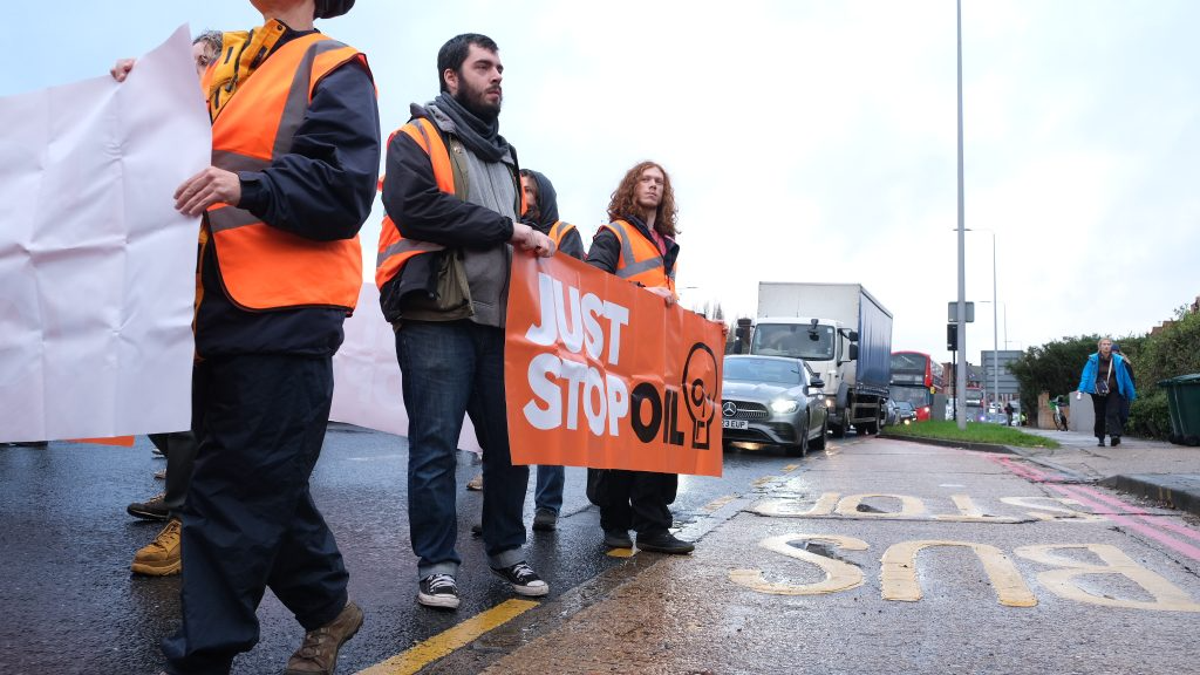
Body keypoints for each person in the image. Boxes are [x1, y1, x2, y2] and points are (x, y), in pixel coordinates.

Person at [115, 2, 379, 672]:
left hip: (286, 308)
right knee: (254, 478)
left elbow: (346, 192)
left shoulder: (333, 64)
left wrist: (247, 184)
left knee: (229, 489)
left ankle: (203, 655)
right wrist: (129, 97)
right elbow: (164, 147)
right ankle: (329, 607)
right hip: (207, 308)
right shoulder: (223, 60)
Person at [376, 33, 555, 611]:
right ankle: (437, 566)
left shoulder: (506, 155)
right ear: (451, 77)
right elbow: (415, 207)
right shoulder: (416, 136)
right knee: (435, 446)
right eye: (484, 66)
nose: (497, 76)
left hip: (500, 324)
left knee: (510, 447)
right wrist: (509, 230)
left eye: (501, 67)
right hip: (437, 314)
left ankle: (506, 550)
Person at [125, 29, 224, 579]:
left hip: (201, 275)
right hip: (162, 270)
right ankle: (188, 499)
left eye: (195, 65)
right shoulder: (173, 123)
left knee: (182, 399)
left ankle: (186, 515)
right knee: (151, 395)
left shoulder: (215, 116)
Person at [585, 160, 693, 555]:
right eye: (645, 180)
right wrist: (642, 296)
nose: (652, 186)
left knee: (657, 444)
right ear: (632, 187)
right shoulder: (614, 234)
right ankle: (614, 523)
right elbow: (590, 283)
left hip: (657, 358)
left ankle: (652, 527)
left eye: (659, 182)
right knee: (618, 443)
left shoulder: (667, 246)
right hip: (618, 356)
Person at [465, 169, 583, 530]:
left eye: (531, 190)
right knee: (507, 429)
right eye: (521, 189)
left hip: (551, 341)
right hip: (510, 337)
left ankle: (547, 505)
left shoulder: (565, 233)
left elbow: (579, 279)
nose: (526, 195)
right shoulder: (506, 227)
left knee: (547, 424)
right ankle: (502, 514)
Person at [1077, 337, 1136, 447]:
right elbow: (1086, 375)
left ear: (1111, 346)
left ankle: (1114, 436)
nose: (1106, 346)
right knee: (1100, 415)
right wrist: (1081, 389)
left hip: (1114, 390)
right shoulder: (1093, 359)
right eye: (1104, 344)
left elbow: (1125, 377)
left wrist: (1130, 392)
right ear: (1100, 346)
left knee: (1112, 413)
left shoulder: (1118, 360)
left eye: (1108, 344)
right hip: (1097, 392)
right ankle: (1101, 438)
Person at [1112, 344, 1136, 427]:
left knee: (1122, 413)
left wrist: (1131, 390)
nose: (1114, 353)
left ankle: (1119, 427)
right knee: (1116, 411)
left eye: (1115, 351)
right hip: (1116, 390)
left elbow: (1131, 378)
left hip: (1123, 391)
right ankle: (1116, 429)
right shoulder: (1109, 363)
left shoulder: (1124, 363)